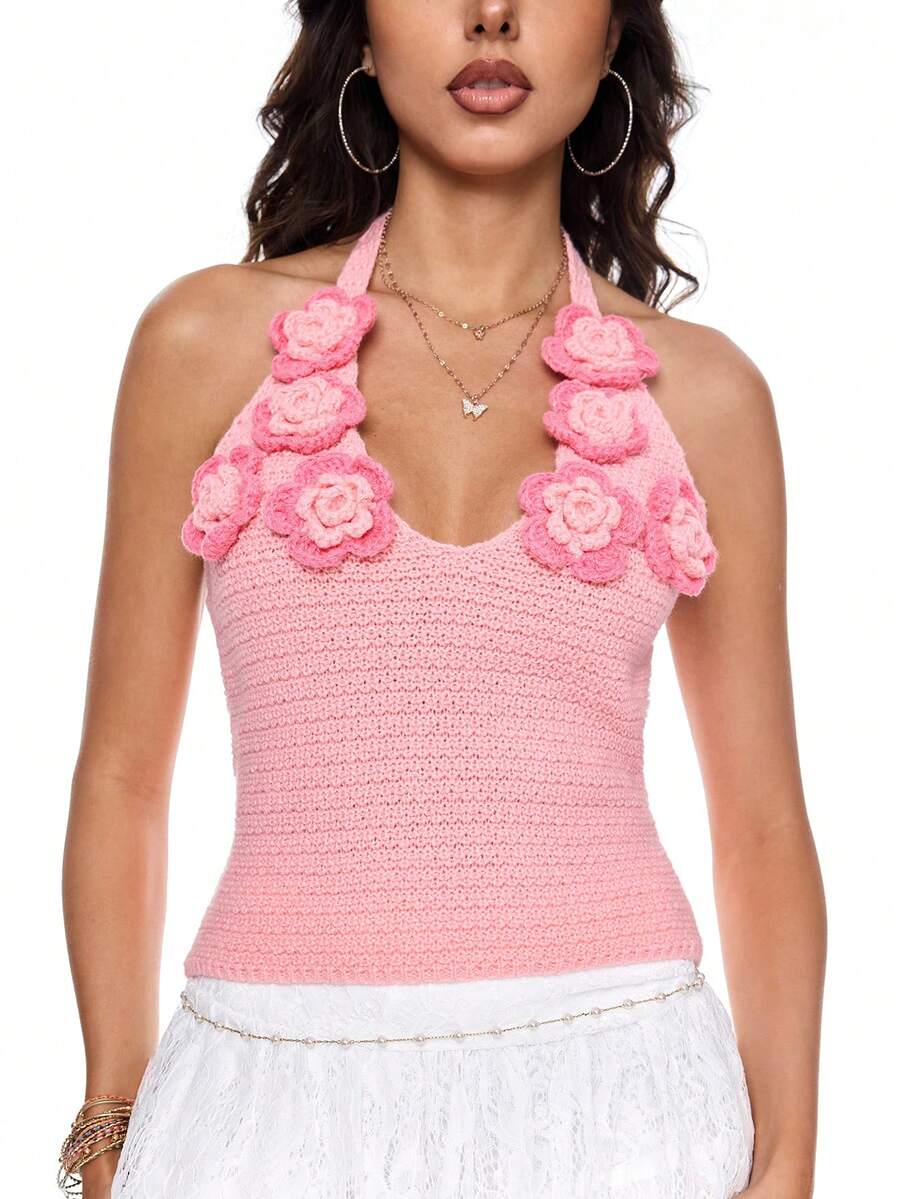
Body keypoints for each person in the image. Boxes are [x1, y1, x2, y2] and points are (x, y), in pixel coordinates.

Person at [60, 2, 826, 1197]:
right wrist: (113, 1111)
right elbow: (121, 774)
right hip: (262, 1100)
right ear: (360, 33)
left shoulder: (705, 396)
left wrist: (788, 1159)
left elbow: (762, 824)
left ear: (613, 38)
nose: (490, 16)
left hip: (625, 1102)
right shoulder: (205, 343)